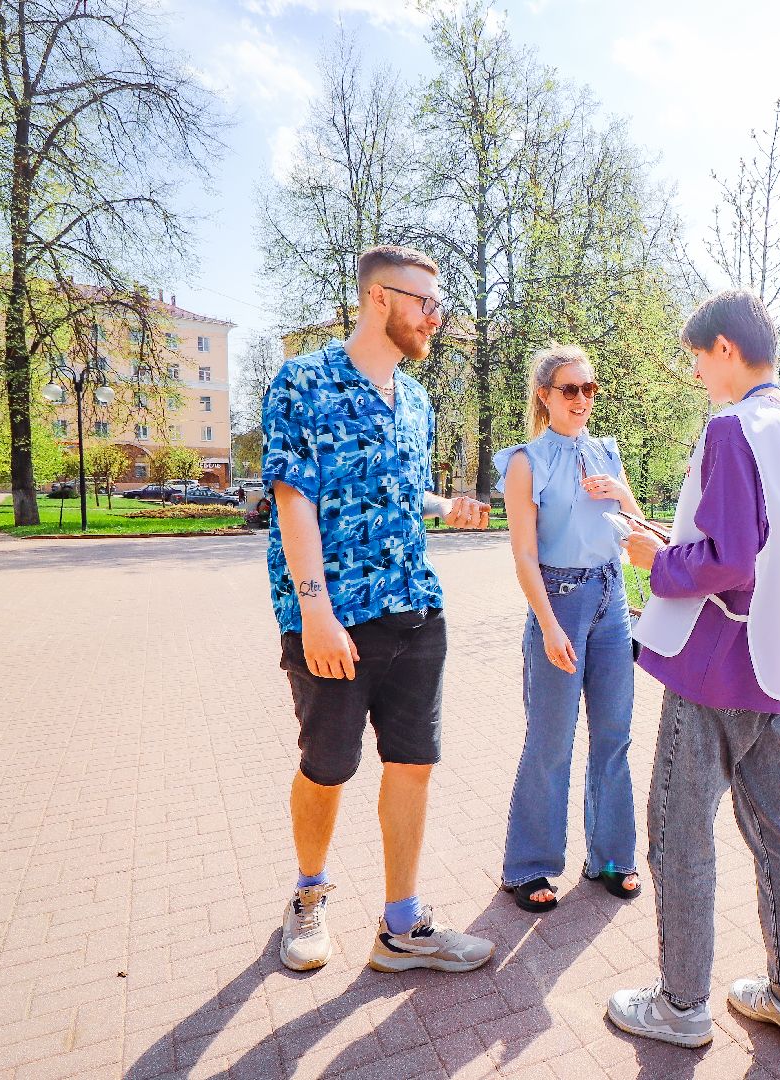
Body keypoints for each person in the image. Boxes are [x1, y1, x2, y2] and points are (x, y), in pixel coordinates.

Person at [606, 291, 780, 1048]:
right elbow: (769, 544)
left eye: (696, 355)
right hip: (777, 662)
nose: (695, 372)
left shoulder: (729, 427)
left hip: (714, 667)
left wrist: (656, 561)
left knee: (679, 834)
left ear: (724, 347)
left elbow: (725, 559)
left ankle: (681, 1006)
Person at [264, 244, 497, 975]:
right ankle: (308, 895)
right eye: (426, 303)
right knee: (328, 768)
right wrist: (315, 614)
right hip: (335, 618)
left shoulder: (418, 400)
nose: (436, 317)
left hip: (415, 609)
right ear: (379, 299)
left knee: (413, 765)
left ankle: (401, 927)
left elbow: (397, 492)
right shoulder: (303, 381)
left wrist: (444, 506)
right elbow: (292, 498)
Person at [493, 345, 642, 913]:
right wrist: (549, 626)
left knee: (614, 734)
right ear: (545, 396)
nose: (582, 400)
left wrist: (622, 495)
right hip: (558, 600)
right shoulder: (526, 462)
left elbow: (631, 534)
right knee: (550, 741)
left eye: (590, 389)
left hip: (612, 599)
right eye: (570, 390)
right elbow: (525, 557)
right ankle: (528, 866)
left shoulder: (607, 452)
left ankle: (610, 856)